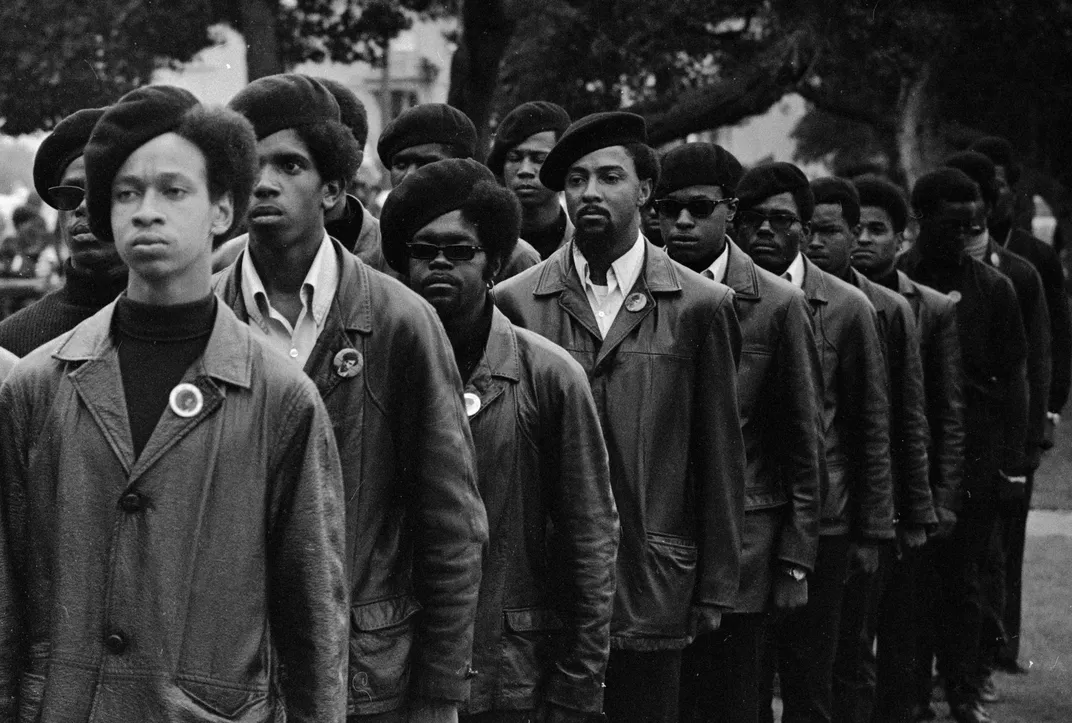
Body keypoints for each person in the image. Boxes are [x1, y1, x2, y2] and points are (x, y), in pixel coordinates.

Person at [0, 84, 348, 722]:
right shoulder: (37, 384)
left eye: (173, 190)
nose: (145, 211)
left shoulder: (280, 396)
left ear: (222, 210)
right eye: (126, 192)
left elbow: (314, 621)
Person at [218, 74, 488, 723]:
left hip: (363, 674)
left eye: (290, 164)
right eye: (251, 162)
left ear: (334, 188)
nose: (265, 181)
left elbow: (451, 523)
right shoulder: (202, 302)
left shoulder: (399, 320)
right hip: (227, 673)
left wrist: (439, 692)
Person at [493, 111, 746, 723]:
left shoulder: (702, 306)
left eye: (609, 177)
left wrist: (716, 583)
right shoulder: (517, 301)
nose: (589, 193)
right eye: (576, 180)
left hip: (652, 576)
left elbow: (719, 454)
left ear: (645, 192)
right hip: (546, 580)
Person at [380, 157, 620, 723]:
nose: (440, 263)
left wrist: (580, 679)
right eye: (423, 250)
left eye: (460, 251)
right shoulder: (378, 365)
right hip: (393, 664)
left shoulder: (549, 376)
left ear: (491, 261)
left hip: (510, 670)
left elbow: (590, 537)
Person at [657, 143, 823, 723]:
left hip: (748, 548)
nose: (681, 222)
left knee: (734, 699)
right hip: (658, 539)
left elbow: (805, 440)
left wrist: (798, 559)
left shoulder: (779, 305)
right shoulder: (648, 292)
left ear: (730, 211)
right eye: (667, 208)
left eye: (699, 208)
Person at [732, 162, 895, 723]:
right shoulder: (721, 297)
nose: (765, 232)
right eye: (752, 220)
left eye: (782, 220)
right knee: (744, 678)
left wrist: (872, 529)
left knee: (812, 677)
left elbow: (869, 424)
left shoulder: (848, 307)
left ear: (804, 225)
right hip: (748, 519)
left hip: (826, 522)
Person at [899, 168, 1028, 723]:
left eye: (974, 223)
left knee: (964, 583)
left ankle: (963, 690)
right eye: (953, 223)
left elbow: (1014, 377)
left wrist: (1012, 461)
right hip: (911, 450)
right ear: (922, 219)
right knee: (910, 587)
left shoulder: (995, 289)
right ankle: (911, 693)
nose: (966, 233)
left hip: (975, 455)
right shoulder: (897, 283)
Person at [805, 177, 935, 723]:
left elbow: (901, 419)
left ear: (853, 234)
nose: (814, 242)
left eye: (829, 231)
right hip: (806, 509)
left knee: (852, 651)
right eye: (807, 229)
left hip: (857, 510)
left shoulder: (884, 309)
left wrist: (898, 518)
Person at [851, 174, 966, 722]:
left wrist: (940, 497)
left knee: (904, 622)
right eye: (857, 228)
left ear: (903, 236)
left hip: (908, 491)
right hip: (858, 492)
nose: (864, 240)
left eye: (878, 229)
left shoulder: (931, 308)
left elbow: (944, 413)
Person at [943, 150, 1050, 699]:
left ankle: (983, 662)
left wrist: (1032, 437)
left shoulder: (1024, 269)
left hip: (995, 444)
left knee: (991, 560)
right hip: (945, 445)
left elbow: (1033, 363)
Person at [969, 135, 1071, 673]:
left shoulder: (1033, 259)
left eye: (1003, 183)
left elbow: (1052, 338)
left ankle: (1003, 640)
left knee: (1009, 537)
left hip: (1022, 414)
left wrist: (1049, 410)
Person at [212, 77, 394, 276]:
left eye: (290, 166)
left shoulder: (396, 259)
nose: (264, 184)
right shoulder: (223, 263)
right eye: (252, 166)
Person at [0, 107, 130, 355]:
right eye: (70, 195)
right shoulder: (11, 342)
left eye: (100, 193)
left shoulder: (179, 325)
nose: (82, 206)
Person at [378, 103, 540, 283]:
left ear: (460, 167)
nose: (410, 175)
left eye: (427, 164)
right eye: (400, 165)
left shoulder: (514, 257)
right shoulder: (378, 253)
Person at [487, 101, 573, 260]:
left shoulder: (586, 246)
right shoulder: (483, 247)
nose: (525, 170)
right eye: (514, 158)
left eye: (540, 159)